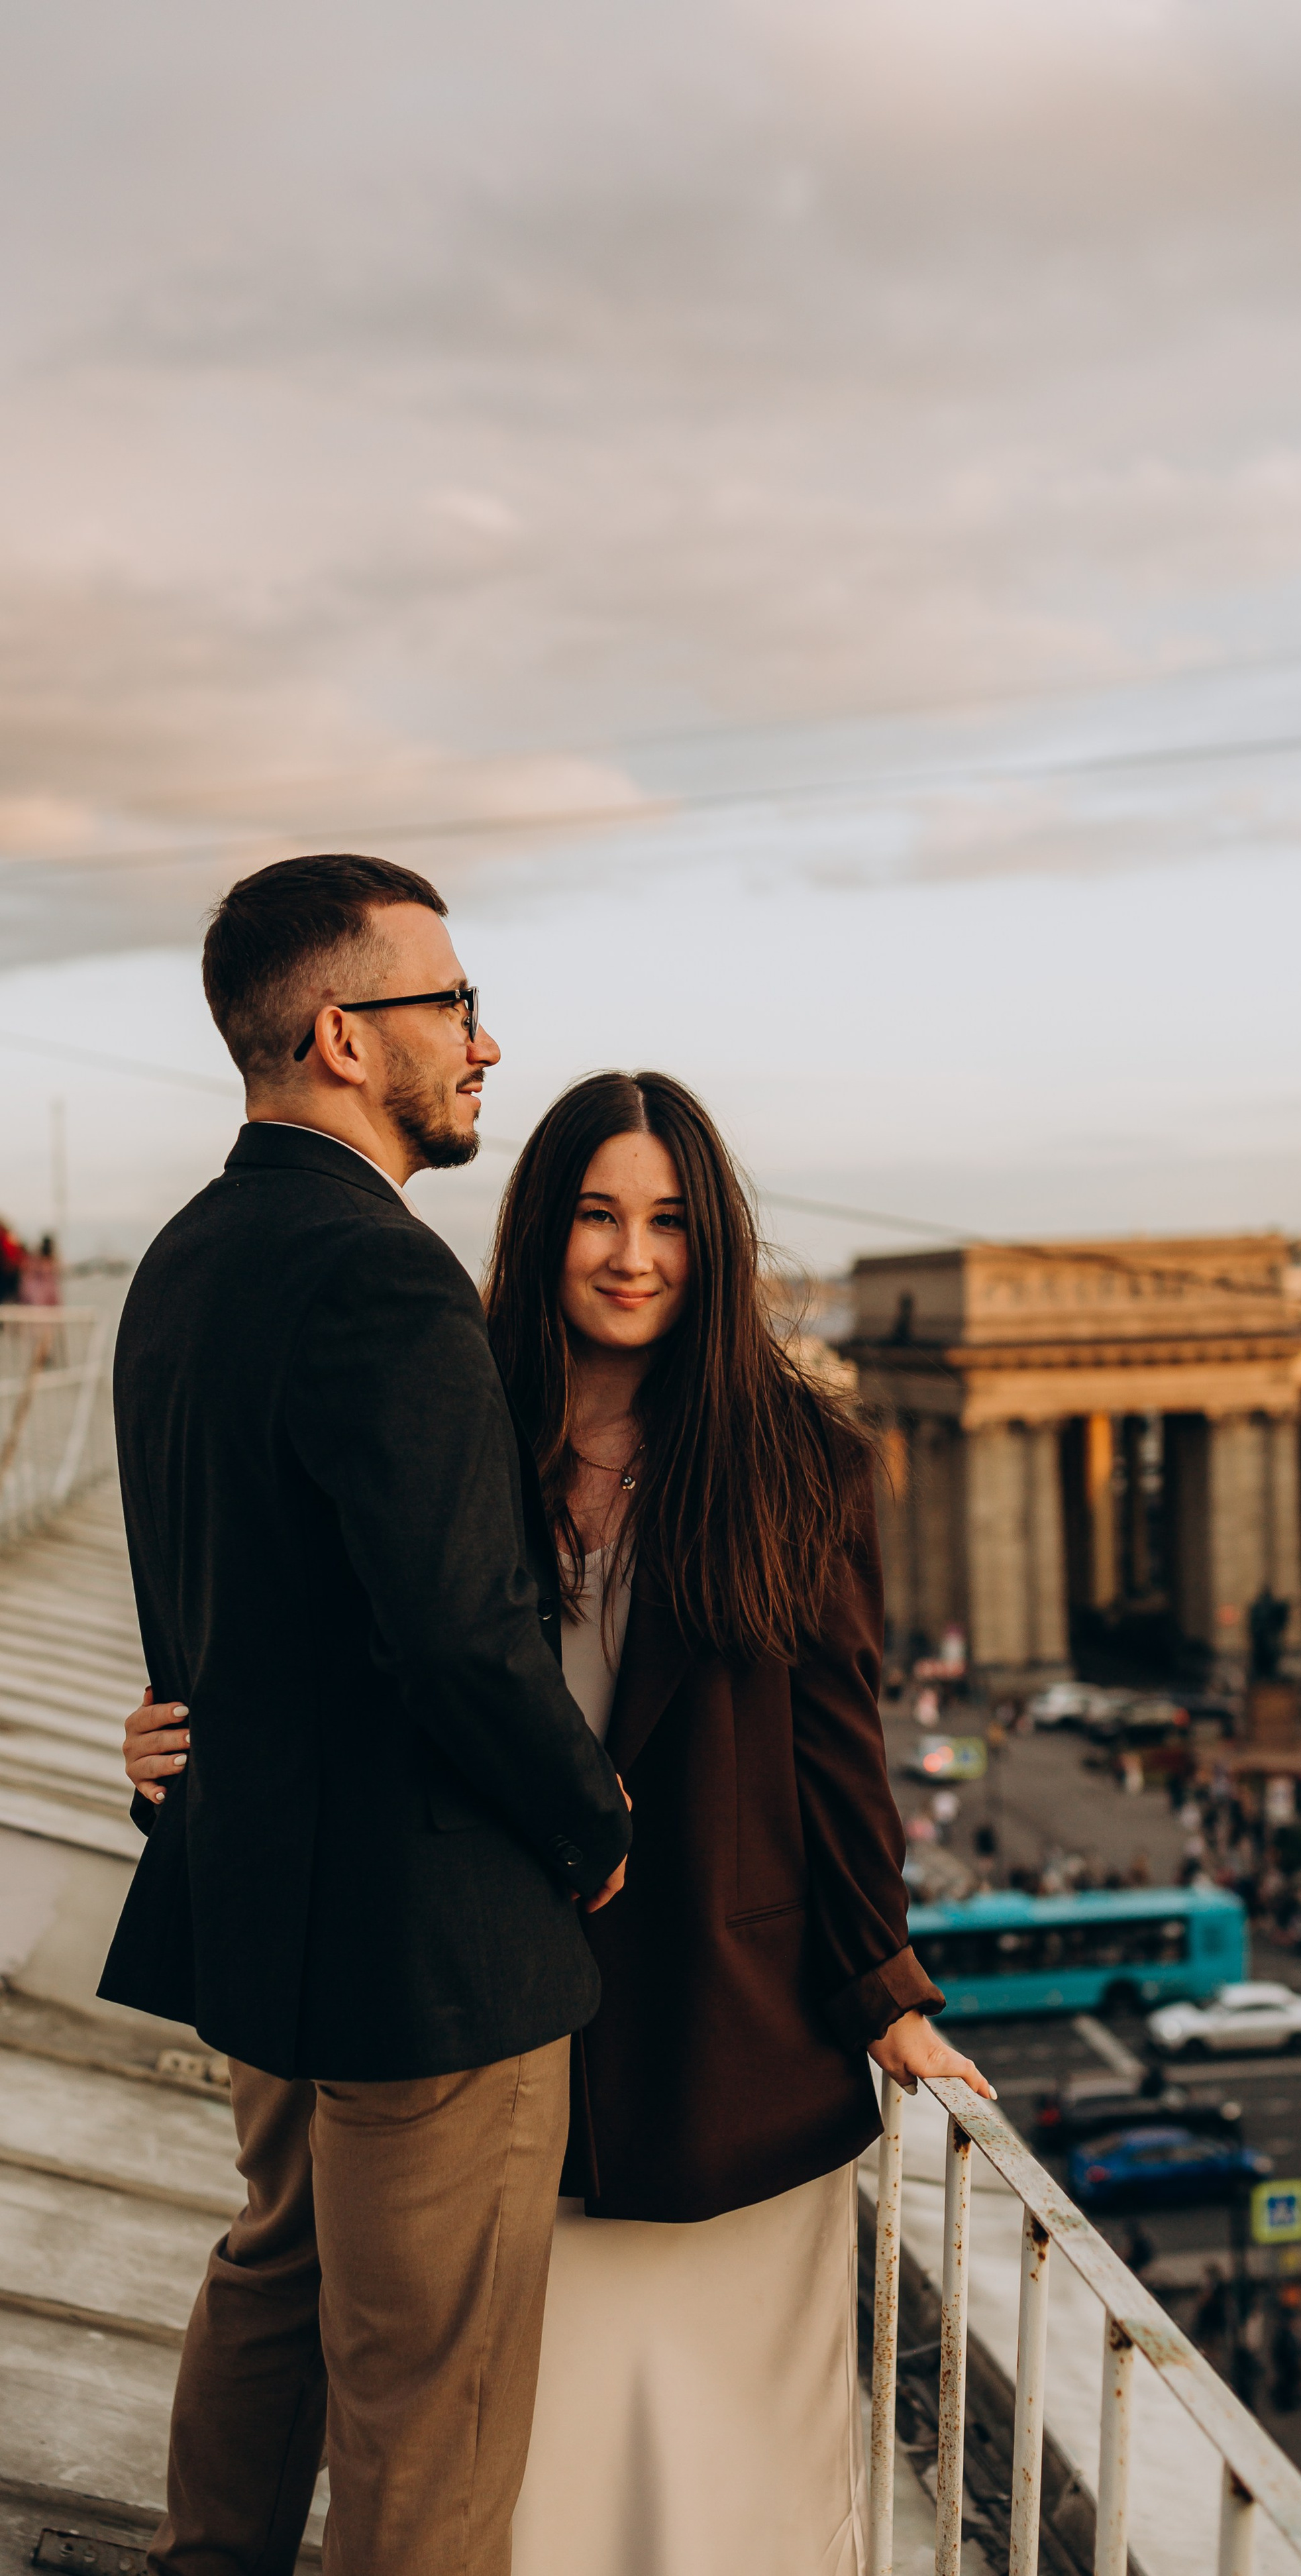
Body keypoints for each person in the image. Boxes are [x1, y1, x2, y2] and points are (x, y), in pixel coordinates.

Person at [101, 855, 635, 2576]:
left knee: (275, 2280)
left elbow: (219, 1591)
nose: (487, 1042)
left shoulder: (185, 1258)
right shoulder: (385, 1278)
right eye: (454, 1005)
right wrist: (592, 1819)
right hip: (426, 1957)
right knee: (431, 2408)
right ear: (344, 1034)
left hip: (265, 1911)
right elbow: (463, 1635)